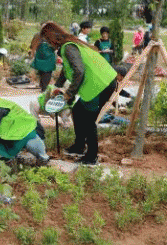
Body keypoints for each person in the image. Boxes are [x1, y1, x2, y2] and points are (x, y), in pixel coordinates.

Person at [40, 21, 117, 165]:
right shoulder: (68, 45)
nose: (47, 44)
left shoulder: (68, 47)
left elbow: (79, 71)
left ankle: (91, 157)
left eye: (47, 40)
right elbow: (67, 70)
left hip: (100, 84)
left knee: (88, 120)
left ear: (52, 38)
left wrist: (69, 93)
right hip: (101, 82)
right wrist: (56, 87)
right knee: (77, 110)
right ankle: (79, 146)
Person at [29, 27, 57, 92]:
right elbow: (33, 45)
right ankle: (43, 88)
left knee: (44, 74)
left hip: (46, 58)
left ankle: (43, 88)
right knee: (44, 74)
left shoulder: (51, 36)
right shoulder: (40, 36)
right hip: (44, 58)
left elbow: (55, 47)